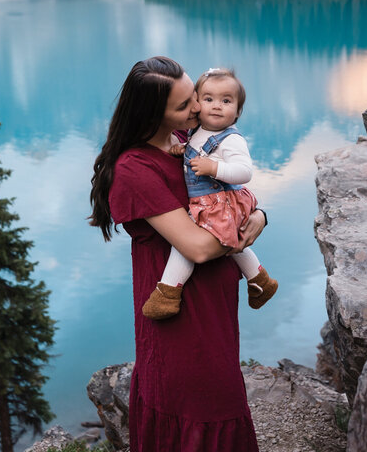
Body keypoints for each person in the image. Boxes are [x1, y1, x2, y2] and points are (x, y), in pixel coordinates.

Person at [90, 56, 266, 452]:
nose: (200, 109)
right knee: (201, 405)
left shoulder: (188, 142)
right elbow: (201, 248)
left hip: (214, 305)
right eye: (186, 105)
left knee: (218, 397)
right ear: (154, 114)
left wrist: (259, 215)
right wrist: (242, 226)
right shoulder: (135, 169)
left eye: (194, 97)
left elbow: (228, 194)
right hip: (181, 318)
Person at [141, 67, 278, 320]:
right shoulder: (195, 132)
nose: (216, 106)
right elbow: (199, 148)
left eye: (226, 101)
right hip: (211, 201)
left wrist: (214, 167)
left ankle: (169, 290)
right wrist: (184, 149)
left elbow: (243, 172)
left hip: (219, 201)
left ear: (237, 112)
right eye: (207, 99)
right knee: (229, 236)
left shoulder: (231, 139)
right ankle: (259, 279)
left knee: (187, 240)